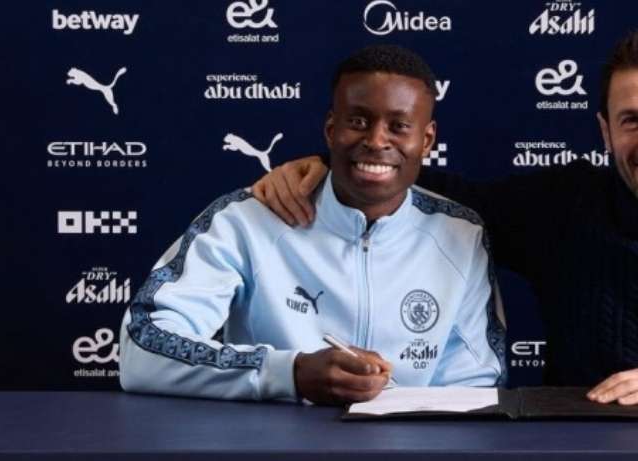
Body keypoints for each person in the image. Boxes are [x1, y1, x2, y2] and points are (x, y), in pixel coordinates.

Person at [252, 30, 638, 407]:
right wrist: (323, 164)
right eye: (632, 120)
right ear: (606, 131)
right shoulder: (563, 206)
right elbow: (426, 182)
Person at [120, 45, 505, 404]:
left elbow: (474, 390)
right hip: (265, 453)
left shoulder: (461, 235)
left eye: (399, 125)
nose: (376, 140)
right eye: (358, 121)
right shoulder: (247, 220)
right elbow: (143, 349)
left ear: (427, 139)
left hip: (410, 455)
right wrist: (289, 372)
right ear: (330, 129)